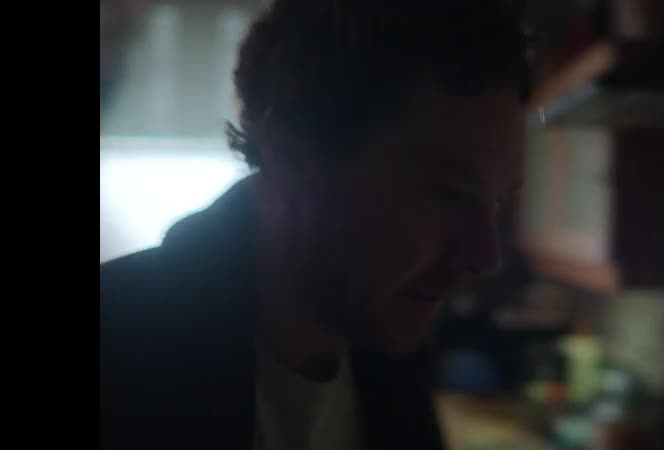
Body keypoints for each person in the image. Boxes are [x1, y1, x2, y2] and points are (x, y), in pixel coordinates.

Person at [100, 0, 535, 448]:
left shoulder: (390, 355)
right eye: (446, 194)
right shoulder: (118, 352)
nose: (485, 256)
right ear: (292, 156)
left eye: (496, 201)